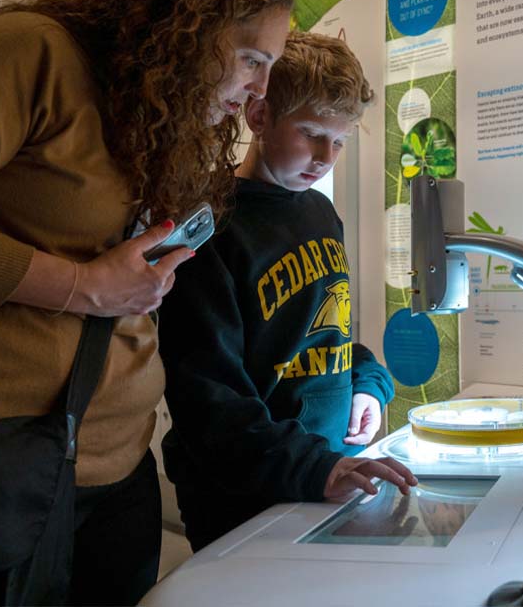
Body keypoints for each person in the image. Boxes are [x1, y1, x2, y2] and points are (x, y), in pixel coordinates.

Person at [0, 0, 293, 605]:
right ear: (191, 25)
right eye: (251, 59)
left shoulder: (167, 119)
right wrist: (80, 287)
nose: (263, 89)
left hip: (121, 473)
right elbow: (96, 284)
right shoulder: (29, 53)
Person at [158, 30, 417, 553]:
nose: (326, 156)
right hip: (242, 489)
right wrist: (315, 467)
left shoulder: (320, 212)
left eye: (340, 140)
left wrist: (367, 383)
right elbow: (208, 395)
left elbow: (325, 331)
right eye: (310, 132)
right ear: (259, 118)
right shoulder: (209, 223)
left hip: (320, 473)